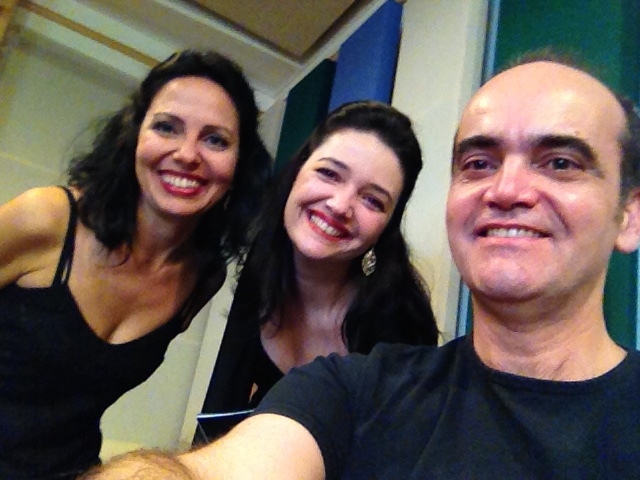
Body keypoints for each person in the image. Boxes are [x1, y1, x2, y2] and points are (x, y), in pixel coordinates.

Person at [81, 53, 640, 479]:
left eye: (560, 162)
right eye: (478, 162)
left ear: (630, 215)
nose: (507, 189)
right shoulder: (355, 386)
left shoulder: (389, 335)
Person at [0, 49, 271, 479]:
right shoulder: (46, 218)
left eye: (216, 140)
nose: (187, 154)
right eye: (167, 127)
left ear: (240, 164)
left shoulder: (203, 278)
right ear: (134, 135)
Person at [197, 101, 438, 436]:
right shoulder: (261, 266)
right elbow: (222, 405)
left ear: (387, 227)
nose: (339, 206)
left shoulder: (400, 326)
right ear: (298, 171)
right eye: (329, 174)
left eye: (372, 200)